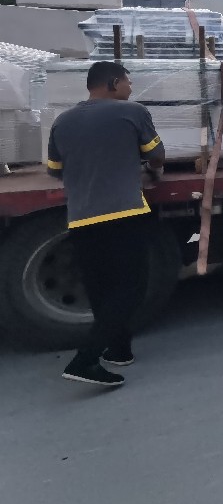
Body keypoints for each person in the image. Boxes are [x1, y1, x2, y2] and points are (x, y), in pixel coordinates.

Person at [46, 60, 165, 388]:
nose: (131, 87)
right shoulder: (132, 112)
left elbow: (54, 169)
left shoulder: (62, 121)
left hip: (81, 217)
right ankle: (85, 360)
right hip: (124, 214)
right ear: (113, 83)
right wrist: (148, 169)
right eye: (127, 82)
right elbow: (156, 155)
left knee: (102, 289)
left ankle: (120, 350)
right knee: (130, 288)